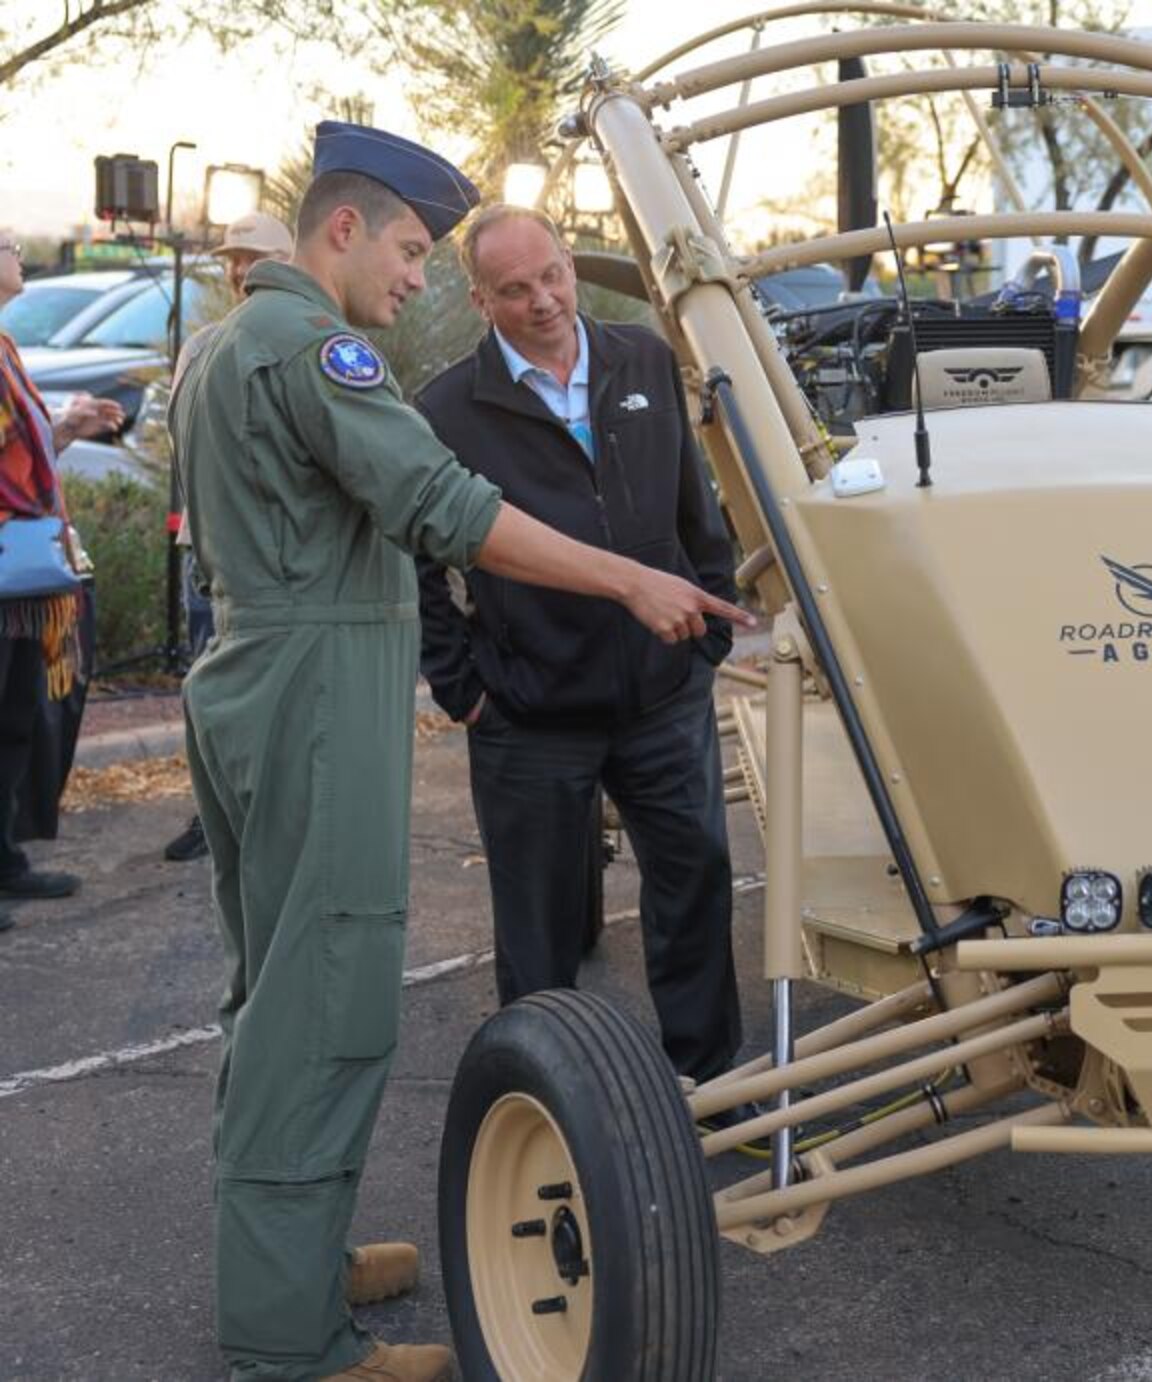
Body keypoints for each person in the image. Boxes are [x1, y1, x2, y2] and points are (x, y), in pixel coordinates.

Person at [169, 123, 753, 1382]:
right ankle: (291, 1341)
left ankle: (294, 1257)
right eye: (408, 248)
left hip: (249, 687)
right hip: (314, 701)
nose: (415, 279)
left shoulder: (223, 344)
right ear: (342, 228)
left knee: (271, 987)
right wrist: (625, 577)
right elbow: (448, 510)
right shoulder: (315, 346)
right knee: (322, 1005)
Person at [415, 205, 743, 1083]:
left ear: (570, 264)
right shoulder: (447, 409)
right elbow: (417, 565)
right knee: (539, 925)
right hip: (531, 715)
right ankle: (542, 1099)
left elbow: (693, 508)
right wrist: (467, 690)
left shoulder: (642, 359)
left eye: (553, 275)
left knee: (696, 882)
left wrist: (704, 635)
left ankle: (709, 1084)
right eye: (515, 290)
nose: (544, 301)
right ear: (482, 301)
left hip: (661, 696)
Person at [0, 231, 123, 937]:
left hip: (21, 574)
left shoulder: (8, 347)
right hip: (11, 563)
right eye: (8, 244)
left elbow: (22, 457)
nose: (18, 254)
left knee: (15, 716)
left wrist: (66, 427)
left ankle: (5, 857)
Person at [164, 210, 295, 864]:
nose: (240, 270)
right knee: (209, 683)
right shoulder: (204, 347)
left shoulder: (301, 343)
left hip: (268, 561)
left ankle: (256, 816)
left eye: (254, 256)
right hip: (209, 549)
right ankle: (210, 813)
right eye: (233, 259)